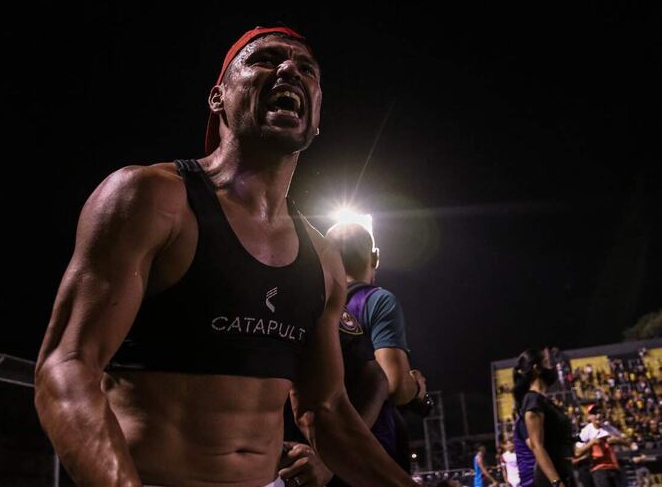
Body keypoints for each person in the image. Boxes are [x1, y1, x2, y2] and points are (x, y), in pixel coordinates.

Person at [33, 25, 415, 487]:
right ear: (218, 97)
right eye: (265, 60)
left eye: (306, 69)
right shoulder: (150, 199)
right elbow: (66, 366)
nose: (289, 70)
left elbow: (326, 410)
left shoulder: (323, 260)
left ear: (316, 120)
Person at [324, 222, 429, 468]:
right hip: (371, 450)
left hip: (325, 442)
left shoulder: (315, 304)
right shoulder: (377, 300)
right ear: (375, 257)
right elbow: (394, 385)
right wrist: (416, 389)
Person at [513, 348, 575, 487]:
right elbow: (537, 445)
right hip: (550, 478)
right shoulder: (533, 400)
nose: (552, 367)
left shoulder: (543, 401)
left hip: (562, 471)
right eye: (547, 363)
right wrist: (557, 483)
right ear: (537, 369)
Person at [579, 404, 632, 487]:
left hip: (614, 467)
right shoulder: (586, 431)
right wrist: (591, 443)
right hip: (599, 469)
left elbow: (629, 443)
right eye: (595, 413)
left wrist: (618, 440)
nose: (598, 415)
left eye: (600, 413)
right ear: (589, 417)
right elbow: (577, 452)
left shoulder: (610, 428)